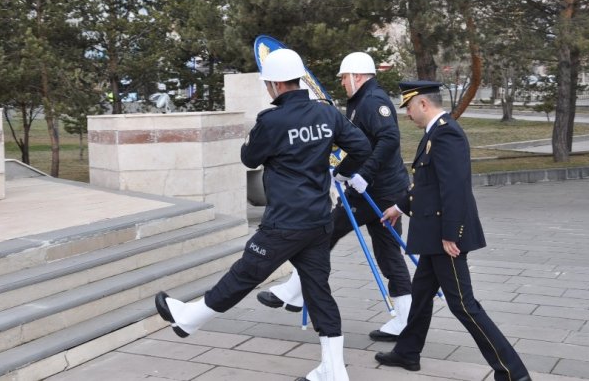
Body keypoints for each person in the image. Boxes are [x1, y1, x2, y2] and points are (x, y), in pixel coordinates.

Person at [155, 48, 371, 381]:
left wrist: (248, 144)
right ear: (297, 79)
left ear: (274, 85)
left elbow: (250, 159)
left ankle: (189, 319)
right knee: (318, 291)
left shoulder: (271, 120)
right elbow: (362, 147)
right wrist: (340, 172)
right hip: (317, 220)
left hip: (285, 222)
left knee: (244, 273)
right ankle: (334, 368)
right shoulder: (327, 114)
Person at [375, 80, 531, 381]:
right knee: (421, 297)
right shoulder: (434, 133)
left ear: (422, 103)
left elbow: (455, 188)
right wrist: (399, 206)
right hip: (433, 235)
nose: (406, 113)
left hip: (445, 238)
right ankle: (407, 352)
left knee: (464, 305)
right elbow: (427, 185)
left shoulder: (447, 134)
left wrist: (451, 234)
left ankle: (513, 372)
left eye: (408, 106)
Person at [256, 51, 413, 341]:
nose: (341, 82)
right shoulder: (362, 101)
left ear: (358, 76)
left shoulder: (374, 102)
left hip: (378, 192)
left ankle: (295, 290)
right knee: (385, 253)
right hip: (373, 190)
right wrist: (346, 170)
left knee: (325, 234)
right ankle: (406, 319)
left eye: (344, 77)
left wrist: (364, 174)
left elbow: (388, 139)